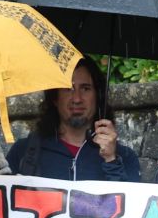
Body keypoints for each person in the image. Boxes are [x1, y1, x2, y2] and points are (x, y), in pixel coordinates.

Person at [8, 61, 140, 182]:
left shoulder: (125, 157)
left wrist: (111, 161)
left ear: (98, 97)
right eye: (68, 89)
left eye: (85, 88)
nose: (77, 99)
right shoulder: (23, 152)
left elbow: (130, 205)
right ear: (55, 98)